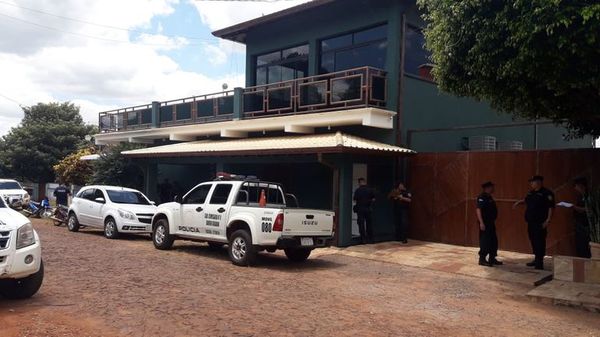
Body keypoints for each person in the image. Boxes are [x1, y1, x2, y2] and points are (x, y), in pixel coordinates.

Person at [513, 175, 555, 270]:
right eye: (531, 182)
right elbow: (527, 200)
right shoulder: (531, 193)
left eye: (533, 182)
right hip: (530, 222)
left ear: (539, 182)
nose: (531, 183)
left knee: (540, 241)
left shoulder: (547, 193)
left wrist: (548, 220)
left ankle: (539, 262)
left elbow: (551, 207)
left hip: (540, 222)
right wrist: (519, 202)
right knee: (533, 240)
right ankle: (536, 258)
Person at [476, 181, 502, 267]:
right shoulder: (482, 197)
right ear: (487, 188)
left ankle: (492, 258)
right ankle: (482, 259)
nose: (493, 188)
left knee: (493, 241)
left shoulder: (489, 197)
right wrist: (481, 223)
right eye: (492, 187)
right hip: (485, 224)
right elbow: (478, 209)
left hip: (491, 223)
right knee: (485, 241)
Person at [573, 177, 591, 258]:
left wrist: (575, 207)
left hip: (586, 225)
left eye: (576, 186)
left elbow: (588, 209)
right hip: (579, 224)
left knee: (585, 244)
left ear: (581, 186)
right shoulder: (580, 196)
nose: (575, 188)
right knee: (580, 245)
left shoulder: (589, 196)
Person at [353, 178, 375, 244]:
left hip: (360, 209)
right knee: (369, 224)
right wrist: (369, 201)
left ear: (359, 183)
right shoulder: (370, 190)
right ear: (365, 182)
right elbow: (374, 199)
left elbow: (354, 200)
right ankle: (370, 239)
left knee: (361, 224)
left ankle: (363, 239)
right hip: (368, 208)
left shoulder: (357, 190)